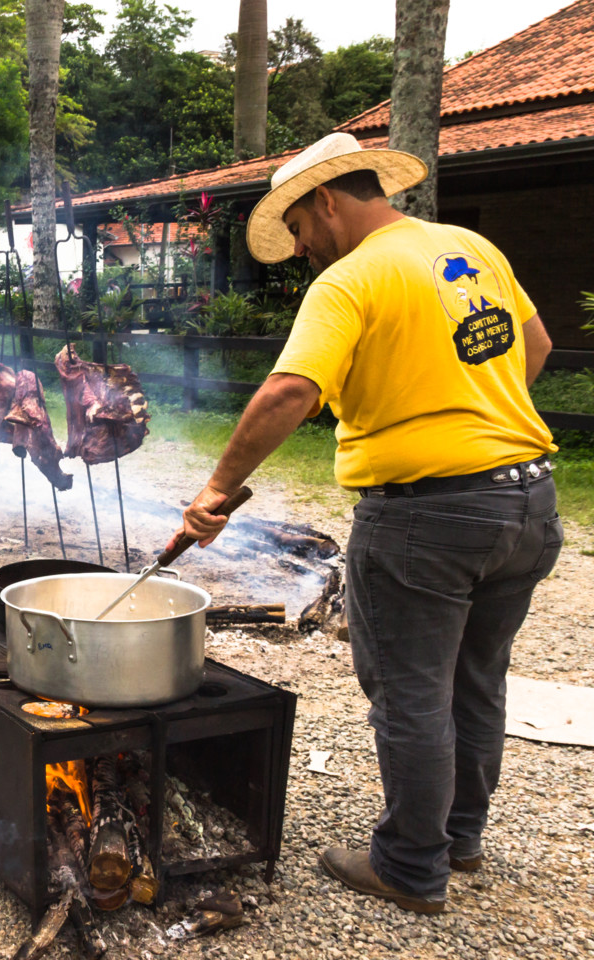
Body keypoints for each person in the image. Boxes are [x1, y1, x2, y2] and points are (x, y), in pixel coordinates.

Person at [172, 132, 561, 914]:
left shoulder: (351, 278)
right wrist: (478, 416)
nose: (305, 249)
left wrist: (216, 490)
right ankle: (460, 840)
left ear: (325, 200)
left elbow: (291, 392)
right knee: (476, 682)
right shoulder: (468, 246)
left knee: (412, 693)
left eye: (303, 231)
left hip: (426, 517)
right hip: (527, 501)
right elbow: (538, 344)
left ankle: (412, 869)